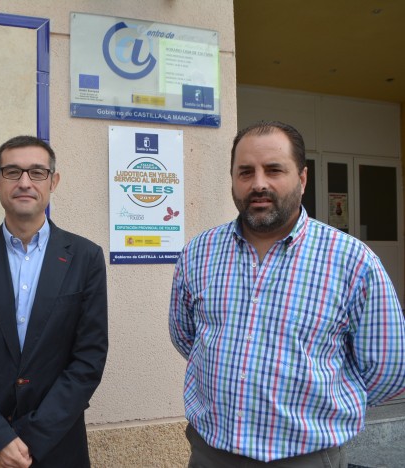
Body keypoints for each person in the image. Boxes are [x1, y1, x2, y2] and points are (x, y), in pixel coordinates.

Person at [169, 121, 405, 467]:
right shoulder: (197, 254)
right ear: (233, 179)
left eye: (274, 170)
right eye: (245, 172)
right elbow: (185, 336)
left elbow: (387, 368)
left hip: (306, 457)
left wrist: (326, 404)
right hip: (211, 454)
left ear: (302, 179)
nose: (259, 183)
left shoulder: (353, 261)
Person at [0, 135, 108, 467]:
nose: (25, 182)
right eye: (13, 172)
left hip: (55, 447)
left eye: (37, 172)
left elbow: (88, 360)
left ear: (53, 181)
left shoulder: (85, 258)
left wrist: (31, 440)